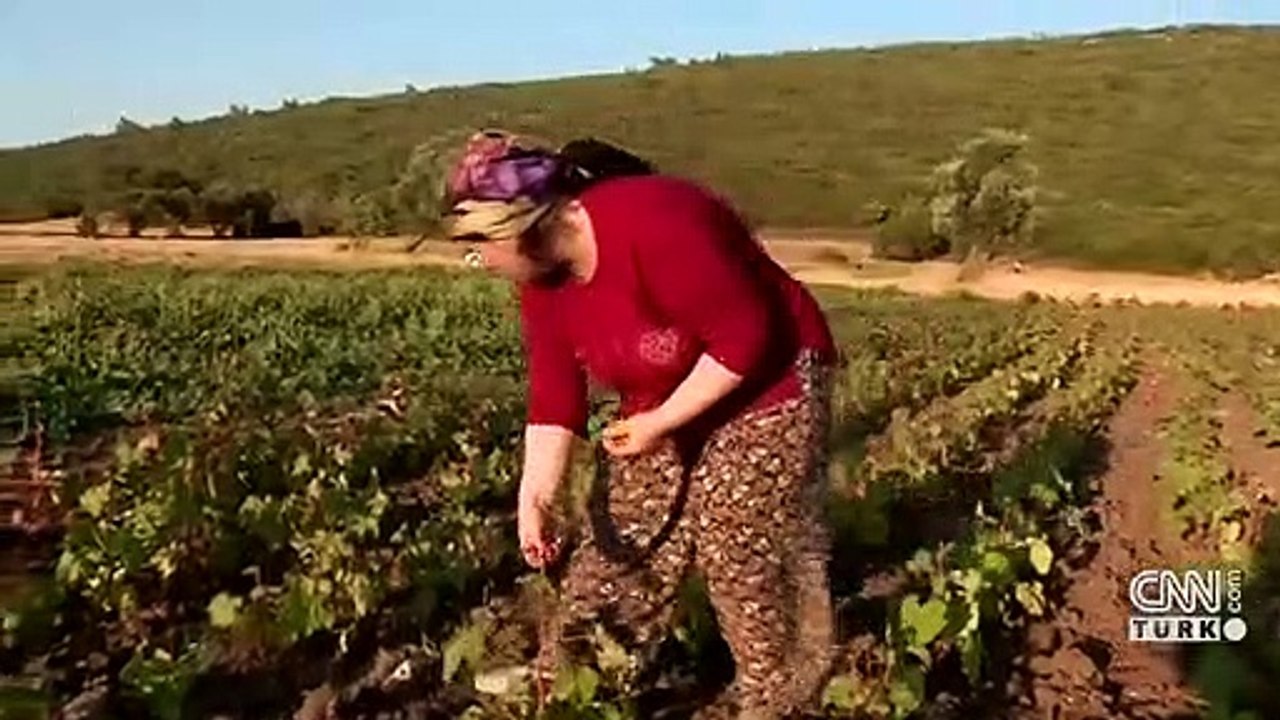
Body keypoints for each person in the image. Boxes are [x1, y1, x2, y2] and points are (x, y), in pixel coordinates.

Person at [442, 130, 839, 719]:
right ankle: (570, 685)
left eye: (477, 251)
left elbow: (745, 336)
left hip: (771, 377)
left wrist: (661, 423)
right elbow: (555, 394)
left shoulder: (655, 221)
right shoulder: (543, 282)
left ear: (514, 228)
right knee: (621, 534)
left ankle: (779, 693)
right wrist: (536, 496)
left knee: (739, 539)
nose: (480, 265)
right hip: (662, 388)